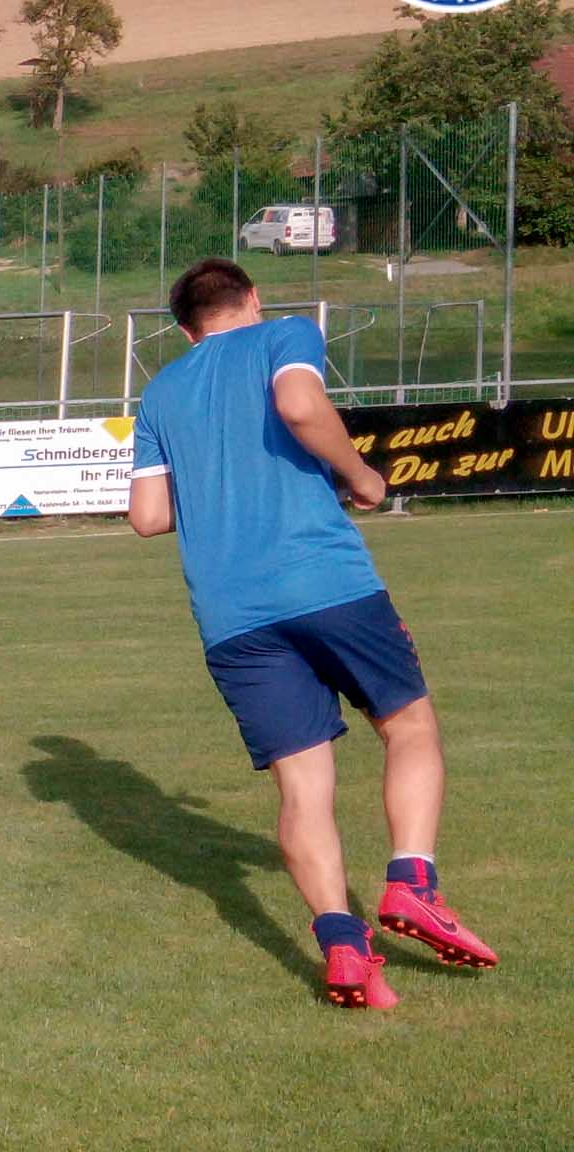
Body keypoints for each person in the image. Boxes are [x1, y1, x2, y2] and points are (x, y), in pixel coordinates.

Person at [126, 258, 500, 1009]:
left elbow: (148, 516)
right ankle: (412, 883)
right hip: (323, 581)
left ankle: (344, 949)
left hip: (230, 615)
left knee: (302, 788)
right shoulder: (284, 334)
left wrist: (219, 486)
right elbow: (299, 405)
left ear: (185, 329)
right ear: (252, 299)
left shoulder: (159, 392)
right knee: (409, 726)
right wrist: (361, 476)